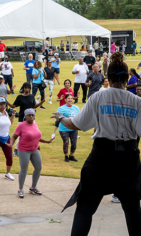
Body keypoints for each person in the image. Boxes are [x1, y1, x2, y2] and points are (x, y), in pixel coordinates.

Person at [52, 52, 141, 235]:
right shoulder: (136, 102)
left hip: (101, 157)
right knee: (132, 210)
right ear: (127, 78)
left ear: (107, 77)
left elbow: (75, 124)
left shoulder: (98, 98)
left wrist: (61, 117)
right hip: (128, 159)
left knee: (85, 208)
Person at [9, 108, 55, 198]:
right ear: (25, 116)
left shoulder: (35, 124)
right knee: (24, 170)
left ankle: (33, 187)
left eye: (32, 115)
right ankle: (20, 189)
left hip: (34, 150)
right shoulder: (21, 126)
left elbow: (36, 137)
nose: (31, 116)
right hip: (23, 150)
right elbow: (14, 136)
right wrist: (11, 144)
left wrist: (47, 141)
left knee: (38, 168)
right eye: (29, 115)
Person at [4, 82, 45, 156]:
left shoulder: (32, 96)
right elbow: (13, 106)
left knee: (34, 133)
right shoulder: (20, 97)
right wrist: (5, 101)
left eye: (28, 88)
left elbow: (34, 106)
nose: (27, 89)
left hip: (31, 119)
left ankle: (35, 146)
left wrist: (42, 101)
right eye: (25, 88)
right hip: (22, 118)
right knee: (20, 135)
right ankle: (16, 149)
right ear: (23, 88)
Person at [55, 94, 80, 162]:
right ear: (65, 100)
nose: (70, 99)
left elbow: (79, 117)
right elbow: (57, 119)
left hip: (73, 128)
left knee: (74, 143)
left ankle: (71, 156)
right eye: (68, 98)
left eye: (71, 98)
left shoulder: (76, 107)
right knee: (66, 143)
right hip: (64, 129)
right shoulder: (61, 108)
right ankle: (66, 156)